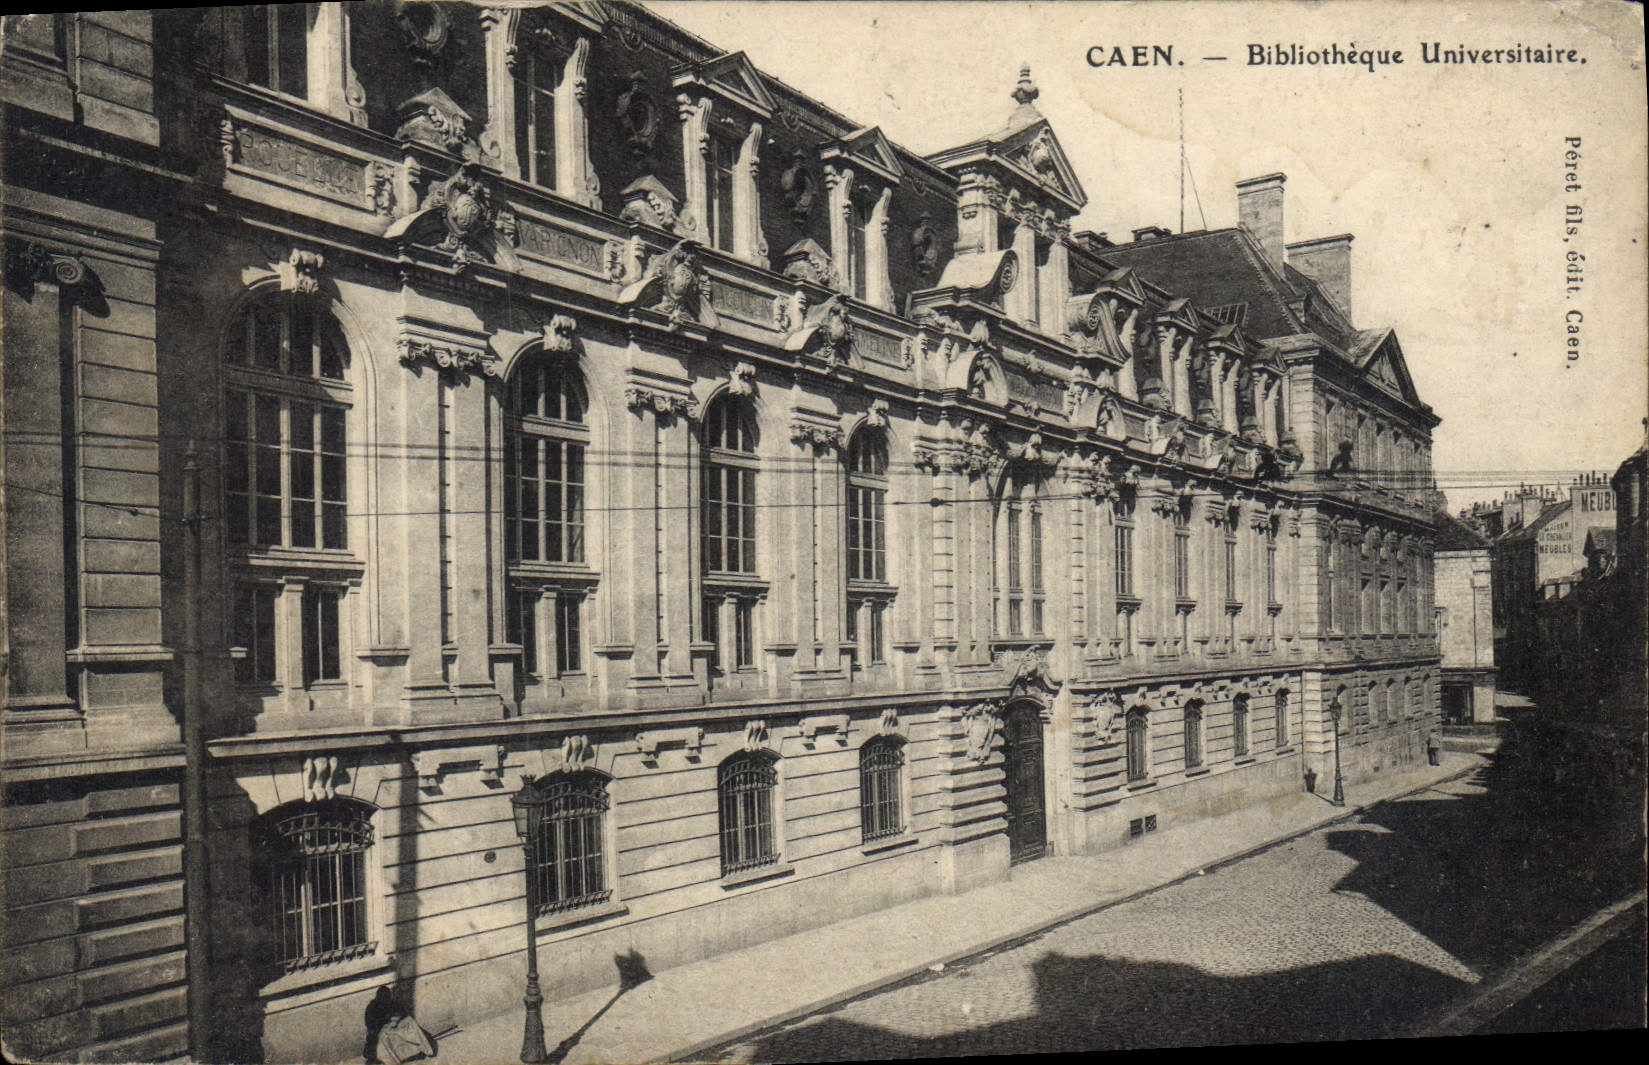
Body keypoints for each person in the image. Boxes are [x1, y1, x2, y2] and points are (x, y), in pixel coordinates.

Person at [365, 986, 434, 1065]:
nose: (385, 999)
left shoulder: (393, 1004)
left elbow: (402, 1013)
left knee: (409, 1022)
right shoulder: (372, 1007)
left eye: (386, 997)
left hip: (396, 1028)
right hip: (381, 1032)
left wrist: (396, 1020)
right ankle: (392, 1058)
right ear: (378, 997)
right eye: (382, 997)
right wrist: (385, 1024)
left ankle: (422, 1049)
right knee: (383, 1036)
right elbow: (370, 1025)